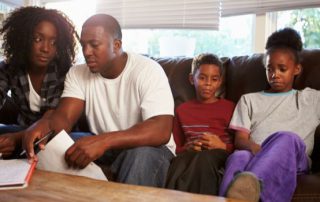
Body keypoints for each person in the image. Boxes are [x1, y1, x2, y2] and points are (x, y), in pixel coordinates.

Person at [22, 14, 175, 187]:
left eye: (94, 45)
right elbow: (65, 117)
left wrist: (104, 141)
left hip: (149, 148)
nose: (86, 52)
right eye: (83, 45)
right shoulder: (77, 73)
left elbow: (161, 129)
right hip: (105, 145)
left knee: (140, 156)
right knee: (58, 143)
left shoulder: (148, 70)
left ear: (116, 46)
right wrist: (45, 125)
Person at [219, 28, 320, 202]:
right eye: (269, 69)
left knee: (287, 137)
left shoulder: (311, 98)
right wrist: (256, 149)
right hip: (256, 153)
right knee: (238, 156)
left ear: (297, 69)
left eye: (282, 69)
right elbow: (240, 140)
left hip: (294, 159)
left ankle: (252, 189)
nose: (275, 75)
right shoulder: (248, 100)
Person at [0, 6, 78, 158]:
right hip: (22, 128)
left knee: (57, 142)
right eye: (38, 39)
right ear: (23, 39)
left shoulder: (63, 71)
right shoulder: (10, 67)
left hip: (55, 134)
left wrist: (16, 140)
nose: (46, 49)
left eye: (53, 42)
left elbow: (49, 120)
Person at [165, 53, 235, 195]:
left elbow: (241, 144)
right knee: (178, 163)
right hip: (191, 155)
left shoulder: (231, 107)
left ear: (220, 81)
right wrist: (187, 147)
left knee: (203, 159)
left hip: (219, 154)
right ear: (192, 79)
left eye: (214, 79)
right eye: (202, 78)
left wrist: (222, 145)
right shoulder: (182, 110)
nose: (208, 83)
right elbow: (175, 148)